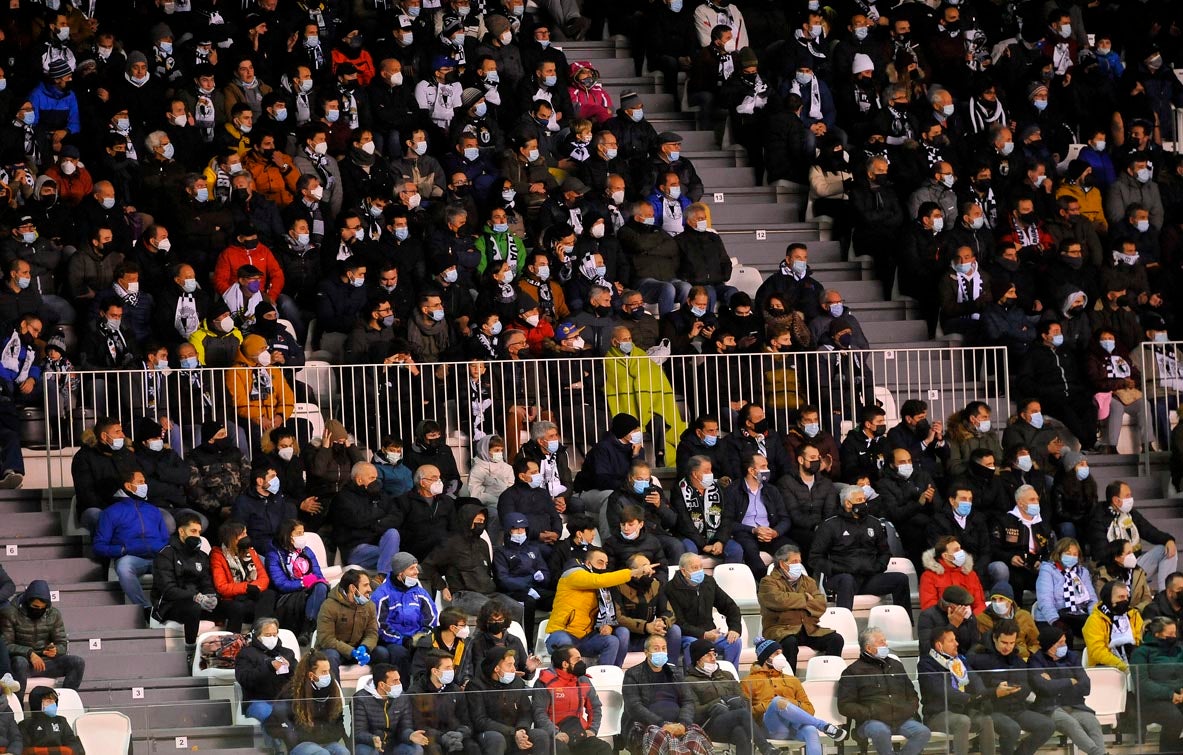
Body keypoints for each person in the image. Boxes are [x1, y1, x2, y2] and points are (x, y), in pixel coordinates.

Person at [152, 513, 247, 659]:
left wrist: (211, 596)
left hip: (200, 602)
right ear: (181, 532)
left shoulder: (202, 556)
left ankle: (231, 648)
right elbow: (168, 589)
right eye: (193, 531)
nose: (197, 536)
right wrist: (195, 597)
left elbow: (206, 582)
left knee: (236, 608)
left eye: (199, 532)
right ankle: (190, 651)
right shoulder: (166, 554)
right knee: (193, 607)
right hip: (171, 605)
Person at [810, 486, 910, 611]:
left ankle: (905, 623)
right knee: (847, 580)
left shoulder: (874, 523)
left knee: (901, 579)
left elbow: (884, 552)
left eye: (864, 499)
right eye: (859, 500)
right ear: (847, 503)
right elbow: (815, 558)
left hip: (868, 577)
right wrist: (838, 569)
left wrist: (877, 567)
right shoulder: (830, 525)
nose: (863, 503)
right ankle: (844, 626)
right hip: (840, 577)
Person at [966, 619, 1057, 755]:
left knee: (1047, 725)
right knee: (1011, 728)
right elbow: (975, 690)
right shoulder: (977, 659)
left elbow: (1027, 685)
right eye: (1004, 642)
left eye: (1011, 643)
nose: (1007, 647)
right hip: (990, 711)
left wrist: (1022, 687)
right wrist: (995, 692)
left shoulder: (1017, 660)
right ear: (995, 638)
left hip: (1016, 708)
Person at [741, 638, 847, 754]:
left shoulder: (792, 680)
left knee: (811, 729)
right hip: (769, 728)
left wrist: (789, 702)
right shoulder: (748, 681)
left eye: (781, 653)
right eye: (776, 653)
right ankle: (823, 725)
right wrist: (768, 705)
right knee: (777, 701)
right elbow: (745, 715)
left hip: (794, 727)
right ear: (766, 658)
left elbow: (810, 710)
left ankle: (821, 727)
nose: (781, 657)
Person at [837, 626, 932, 755]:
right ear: (868, 648)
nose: (885, 644)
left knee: (923, 732)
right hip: (871, 721)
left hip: (901, 718)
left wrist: (906, 709)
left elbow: (912, 694)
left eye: (885, 641)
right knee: (881, 731)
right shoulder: (852, 672)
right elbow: (845, 706)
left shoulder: (896, 665)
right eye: (881, 642)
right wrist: (871, 712)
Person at [544, 547, 645, 667]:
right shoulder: (573, 574)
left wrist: (608, 625)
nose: (603, 568)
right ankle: (566, 680)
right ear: (588, 563)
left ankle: (605, 677)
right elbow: (598, 580)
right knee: (566, 646)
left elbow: (608, 612)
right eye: (600, 563)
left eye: (606, 564)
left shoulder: (602, 588)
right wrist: (632, 572)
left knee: (612, 641)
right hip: (561, 633)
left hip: (585, 637)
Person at [92, 468, 170, 613]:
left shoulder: (153, 510)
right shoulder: (111, 512)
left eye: (144, 482)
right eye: (140, 482)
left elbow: (165, 538)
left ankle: (166, 608)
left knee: (174, 567)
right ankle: (146, 609)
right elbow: (99, 545)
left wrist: (164, 551)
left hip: (157, 557)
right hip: (131, 557)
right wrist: (122, 550)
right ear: (128, 486)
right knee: (123, 568)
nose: (144, 485)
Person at [684, 638, 779, 755]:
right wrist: (716, 703)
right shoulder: (689, 681)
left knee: (740, 732)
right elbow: (694, 712)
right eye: (708, 655)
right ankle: (766, 749)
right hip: (709, 726)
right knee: (742, 714)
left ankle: (766, 750)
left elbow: (745, 700)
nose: (713, 658)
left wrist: (734, 702)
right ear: (698, 659)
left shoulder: (727, 675)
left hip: (732, 722)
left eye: (714, 654)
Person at [758, 544, 843, 673]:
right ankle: (790, 681)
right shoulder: (768, 582)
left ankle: (828, 673)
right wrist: (805, 598)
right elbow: (779, 601)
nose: (798, 565)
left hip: (808, 629)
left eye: (799, 561)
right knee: (789, 643)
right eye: (794, 562)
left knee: (836, 639)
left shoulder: (808, 581)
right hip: (780, 629)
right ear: (782, 564)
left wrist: (793, 603)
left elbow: (821, 604)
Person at [916, 626, 997, 755]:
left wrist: (983, 695)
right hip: (936, 715)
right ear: (939, 645)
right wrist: (969, 698)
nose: (957, 643)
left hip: (962, 710)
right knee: (962, 721)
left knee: (985, 720)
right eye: (951, 641)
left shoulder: (959, 660)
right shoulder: (926, 664)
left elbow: (975, 679)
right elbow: (941, 690)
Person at [1027, 625, 1106, 755]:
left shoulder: (1072, 657)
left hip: (1074, 705)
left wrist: (1054, 682)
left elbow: (1086, 686)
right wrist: (1070, 680)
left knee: (1093, 723)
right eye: (1061, 642)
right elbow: (1044, 688)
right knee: (1071, 724)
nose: (1065, 645)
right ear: (1050, 645)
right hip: (1049, 707)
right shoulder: (1036, 660)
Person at [622, 635, 709, 753]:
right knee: (661, 738)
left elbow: (687, 701)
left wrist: (683, 723)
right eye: (656, 649)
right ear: (646, 652)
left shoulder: (675, 673)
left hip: (678, 724)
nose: (661, 652)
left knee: (695, 738)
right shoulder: (632, 674)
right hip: (648, 725)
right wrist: (662, 724)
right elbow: (634, 706)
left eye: (664, 648)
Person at [0, 579, 85, 697]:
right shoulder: (10, 613)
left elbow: (62, 644)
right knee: (20, 663)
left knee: (77, 662)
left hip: (46, 663)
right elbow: (6, 645)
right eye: (35, 606)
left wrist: (55, 650)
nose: (38, 610)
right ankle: (18, 710)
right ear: (27, 601)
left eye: (42, 608)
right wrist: (30, 653)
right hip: (22, 663)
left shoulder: (54, 614)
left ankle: (65, 703)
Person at [1088, 480, 1177, 591]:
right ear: (1116, 500)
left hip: (1135, 563)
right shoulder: (1098, 517)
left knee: (1166, 549)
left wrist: (1168, 540)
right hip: (1113, 569)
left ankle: (1166, 595)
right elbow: (1100, 553)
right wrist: (1121, 557)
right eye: (1127, 496)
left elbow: (1149, 531)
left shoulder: (1130, 513)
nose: (1131, 499)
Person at [468, 646, 553, 755]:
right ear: (496, 668)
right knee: (496, 739)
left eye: (514, 664)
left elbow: (526, 711)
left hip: (515, 730)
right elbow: (480, 720)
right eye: (509, 665)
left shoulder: (517, 682)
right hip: (489, 733)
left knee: (540, 735)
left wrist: (522, 729)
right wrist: (513, 732)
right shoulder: (476, 686)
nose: (514, 669)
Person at [722, 452, 793, 580]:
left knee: (791, 551)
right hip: (746, 533)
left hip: (770, 533)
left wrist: (775, 532)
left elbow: (785, 519)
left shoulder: (771, 490)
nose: (767, 470)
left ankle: (788, 588)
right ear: (751, 470)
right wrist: (753, 530)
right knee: (753, 557)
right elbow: (727, 522)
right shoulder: (733, 491)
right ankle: (765, 588)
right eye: (763, 466)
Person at [666, 552, 743, 667]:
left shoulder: (709, 582)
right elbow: (678, 622)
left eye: (701, 567)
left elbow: (729, 606)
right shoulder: (670, 588)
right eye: (695, 568)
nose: (699, 571)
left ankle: (729, 679)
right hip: (688, 635)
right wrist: (703, 634)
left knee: (735, 642)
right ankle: (693, 680)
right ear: (683, 571)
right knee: (693, 644)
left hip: (711, 632)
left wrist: (735, 628)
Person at [372, 552, 437, 682]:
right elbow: (380, 626)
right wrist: (402, 640)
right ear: (400, 573)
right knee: (400, 653)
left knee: (427, 648)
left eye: (416, 567)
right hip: (392, 641)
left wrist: (421, 636)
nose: (416, 572)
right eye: (412, 568)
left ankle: (423, 689)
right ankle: (403, 690)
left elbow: (431, 619)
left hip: (417, 638)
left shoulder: (420, 592)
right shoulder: (382, 595)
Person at [535, 644, 613, 755]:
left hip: (579, 732)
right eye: (577, 659)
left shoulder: (584, 680)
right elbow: (539, 713)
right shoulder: (544, 682)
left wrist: (592, 730)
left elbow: (595, 707)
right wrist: (555, 733)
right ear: (565, 664)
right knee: (560, 750)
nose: (581, 662)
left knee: (603, 748)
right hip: (554, 736)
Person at [265, 519, 330, 644]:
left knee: (321, 586)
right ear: (287, 535)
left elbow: (318, 575)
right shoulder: (274, 554)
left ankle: (307, 628)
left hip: (311, 590)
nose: (302, 537)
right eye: (298, 534)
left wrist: (315, 581)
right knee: (318, 589)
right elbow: (280, 584)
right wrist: (302, 583)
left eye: (303, 533)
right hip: (288, 596)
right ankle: (307, 630)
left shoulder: (307, 551)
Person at [332, 462, 404, 572]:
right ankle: (386, 581)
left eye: (376, 477)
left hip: (380, 544)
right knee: (396, 558)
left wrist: (377, 524)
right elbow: (358, 519)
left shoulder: (381, 495)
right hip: (356, 548)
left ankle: (382, 577)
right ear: (359, 480)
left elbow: (396, 517)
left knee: (393, 533)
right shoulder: (343, 498)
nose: (376, 481)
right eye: (372, 478)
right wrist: (380, 511)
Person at [407, 649, 481, 755]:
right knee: (434, 749)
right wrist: (441, 737)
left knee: (472, 748)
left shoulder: (455, 689)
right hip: (431, 737)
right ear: (435, 671)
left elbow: (466, 720)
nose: (452, 671)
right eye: (447, 668)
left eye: (452, 667)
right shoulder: (416, 692)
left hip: (455, 734)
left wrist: (461, 733)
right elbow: (418, 724)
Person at [494, 512, 555, 635]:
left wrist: (542, 577)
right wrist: (527, 586)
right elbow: (503, 579)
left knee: (558, 597)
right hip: (513, 592)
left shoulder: (533, 550)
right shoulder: (500, 552)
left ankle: (554, 637)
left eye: (522, 529)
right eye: (516, 529)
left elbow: (545, 572)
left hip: (535, 589)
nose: (520, 532)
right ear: (508, 531)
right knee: (529, 602)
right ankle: (528, 643)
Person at [235, 617, 298, 736]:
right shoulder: (246, 654)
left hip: (285, 700)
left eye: (274, 634)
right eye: (268, 635)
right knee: (274, 720)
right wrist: (268, 666)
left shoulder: (287, 653)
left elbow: (300, 678)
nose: (272, 638)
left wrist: (289, 669)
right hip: (258, 701)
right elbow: (245, 679)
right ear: (257, 635)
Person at [1129, 616, 1183, 753]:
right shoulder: (1141, 653)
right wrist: (1170, 694)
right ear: (1157, 634)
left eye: (1175, 633)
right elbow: (1142, 683)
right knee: (1174, 718)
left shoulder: (1179, 649)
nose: (1174, 637)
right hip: (1151, 701)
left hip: (1179, 696)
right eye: (1170, 634)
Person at [279, 651, 350, 755]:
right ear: (311, 675)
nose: (328, 675)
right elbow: (281, 721)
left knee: (344, 752)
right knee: (322, 753)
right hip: (302, 743)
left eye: (328, 671)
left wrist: (330, 736)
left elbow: (339, 720)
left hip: (328, 741)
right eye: (324, 672)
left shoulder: (332, 689)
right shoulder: (292, 692)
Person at [314, 569, 380, 681]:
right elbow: (326, 639)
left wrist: (365, 647)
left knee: (382, 653)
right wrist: (351, 651)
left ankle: (378, 695)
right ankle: (336, 696)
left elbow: (372, 632)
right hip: (335, 650)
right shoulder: (329, 606)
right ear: (352, 588)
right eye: (365, 585)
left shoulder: (369, 605)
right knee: (331, 656)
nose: (370, 589)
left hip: (359, 649)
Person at [352, 662, 428, 755]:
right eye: (395, 681)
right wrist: (373, 739)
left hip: (394, 744)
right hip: (370, 744)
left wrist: (410, 735)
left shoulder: (402, 697)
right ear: (382, 685)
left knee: (416, 749)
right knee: (365, 751)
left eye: (399, 679)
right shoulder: (360, 699)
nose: (399, 683)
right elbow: (359, 732)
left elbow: (404, 727)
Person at [210, 520, 277, 624]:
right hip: (233, 599)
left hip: (252, 595)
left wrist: (254, 587)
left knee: (269, 594)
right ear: (231, 538)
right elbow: (221, 587)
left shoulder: (250, 550)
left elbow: (263, 577)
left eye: (246, 533)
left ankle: (257, 630)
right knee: (241, 607)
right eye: (242, 534)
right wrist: (246, 588)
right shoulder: (217, 555)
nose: (246, 537)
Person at [1034, 537, 1096, 647]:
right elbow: (1045, 600)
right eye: (1068, 553)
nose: (1072, 557)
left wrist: (1094, 618)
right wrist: (1055, 620)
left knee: (1098, 630)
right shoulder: (1047, 570)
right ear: (1059, 554)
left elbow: (1092, 600)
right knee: (1064, 634)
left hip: (1076, 614)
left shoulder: (1082, 572)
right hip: (1052, 617)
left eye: (1075, 554)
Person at [1082, 580, 1143, 672]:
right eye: (1121, 597)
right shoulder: (1094, 620)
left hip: (1135, 665)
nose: (1125, 600)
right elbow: (1098, 652)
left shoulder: (1134, 615)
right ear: (1108, 598)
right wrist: (1122, 666)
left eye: (1127, 597)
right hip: (1106, 669)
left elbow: (1141, 642)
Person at [920, 535, 985, 613]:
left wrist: (971, 621)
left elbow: (979, 604)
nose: (962, 552)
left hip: (970, 620)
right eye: (956, 550)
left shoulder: (970, 574)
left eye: (960, 548)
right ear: (946, 556)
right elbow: (929, 607)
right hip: (943, 622)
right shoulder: (929, 576)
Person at [975, 585, 1041, 660]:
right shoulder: (982, 619)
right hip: (995, 660)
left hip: (1022, 659)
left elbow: (1036, 642)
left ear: (1010, 601)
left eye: (1001, 599)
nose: (997, 603)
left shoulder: (1024, 616)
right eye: (994, 599)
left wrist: (1029, 656)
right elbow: (978, 644)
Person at [1092, 538, 1152, 615]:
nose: (1132, 556)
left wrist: (1135, 611)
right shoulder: (1102, 577)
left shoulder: (1139, 572)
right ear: (1117, 557)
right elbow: (1102, 603)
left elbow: (1147, 598)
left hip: (1137, 615)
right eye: (1128, 553)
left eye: (1132, 552)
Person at [20, 686, 86, 754]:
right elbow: (25, 750)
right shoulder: (26, 724)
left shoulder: (61, 721)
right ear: (37, 703)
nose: (53, 704)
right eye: (48, 701)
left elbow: (73, 744)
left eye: (54, 701)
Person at [917, 585, 981, 656]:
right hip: (937, 663)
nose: (966, 608)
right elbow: (927, 648)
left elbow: (975, 644)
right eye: (963, 606)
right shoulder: (927, 616)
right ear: (950, 607)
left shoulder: (968, 616)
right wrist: (953, 626)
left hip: (964, 660)